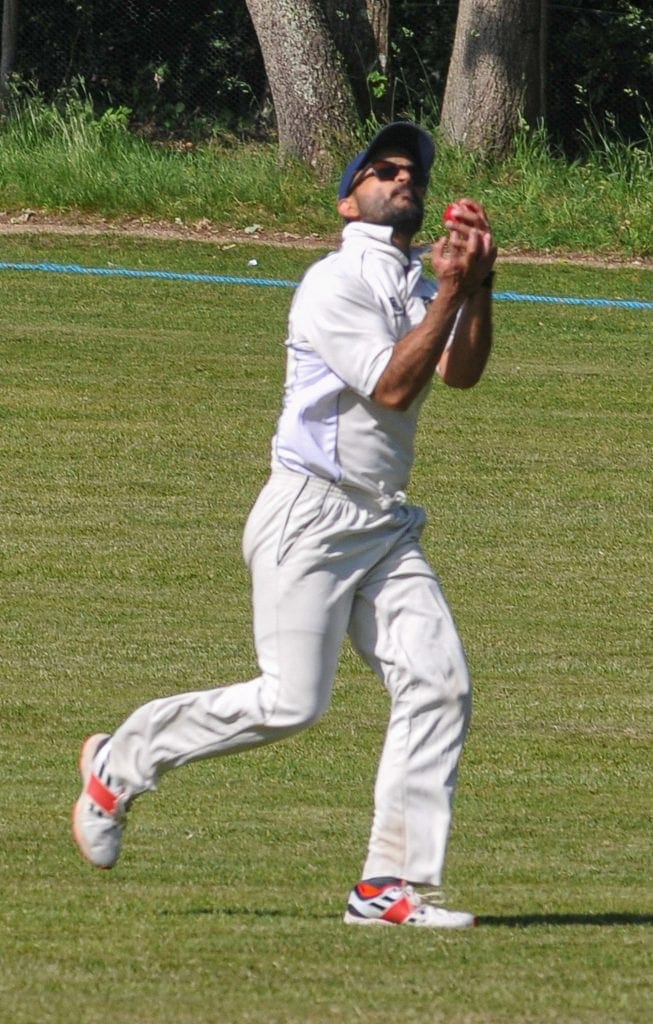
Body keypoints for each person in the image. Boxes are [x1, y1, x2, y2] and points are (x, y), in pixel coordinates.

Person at [72, 121, 497, 929]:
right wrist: (449, 291)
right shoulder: (333, 282)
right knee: (290, 702)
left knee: (439, 683)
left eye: (413, 171)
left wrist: (477, 283)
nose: (402, 178)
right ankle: (120, 761)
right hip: (309, 512)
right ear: (349, 198)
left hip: (381, 523)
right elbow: (393, 388)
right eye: (383, 170)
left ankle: (387, 888)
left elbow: (461, 373)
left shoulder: (413, 279)